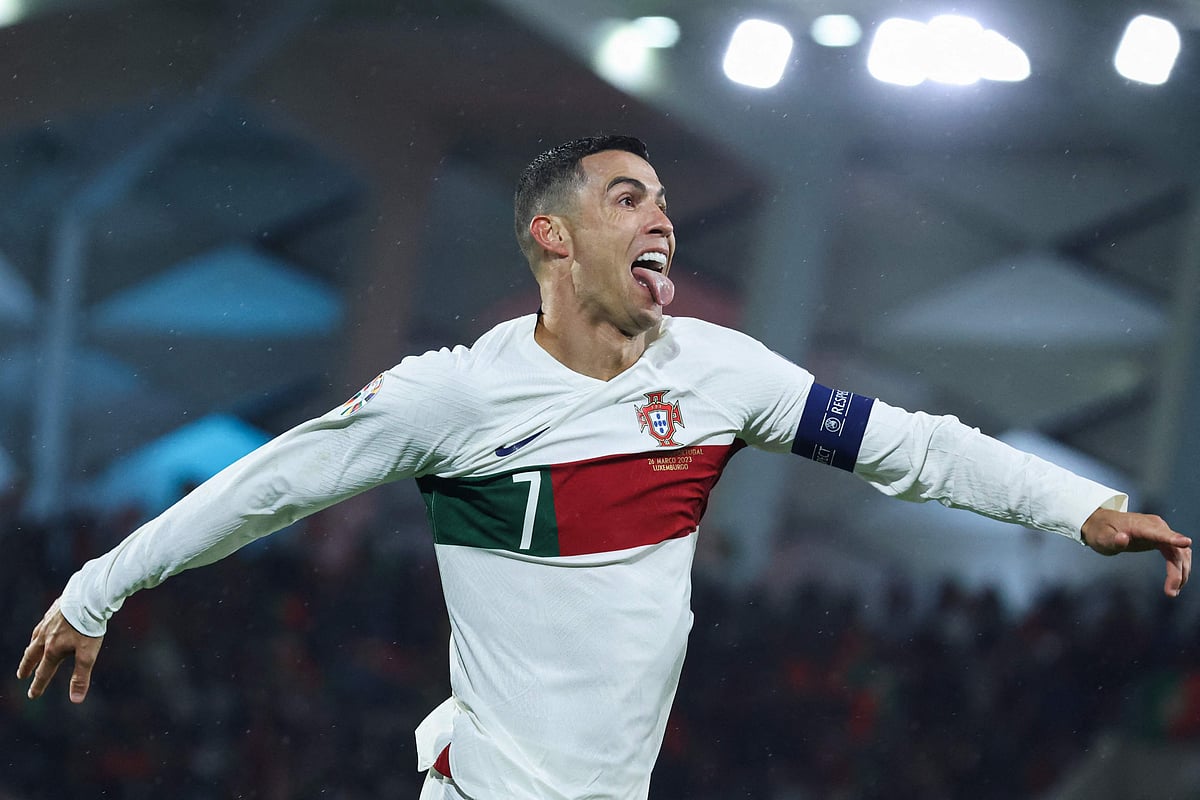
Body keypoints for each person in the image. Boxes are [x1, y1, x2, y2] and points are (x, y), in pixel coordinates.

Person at [18, 135, 1192, 799]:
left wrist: (1077, 504)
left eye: (666, 202)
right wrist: (95, 587)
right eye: (628, 198)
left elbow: (912, 446)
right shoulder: (454, 395)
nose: (661, 218)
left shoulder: (722, 373)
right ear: (553, 235)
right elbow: (270, 481)